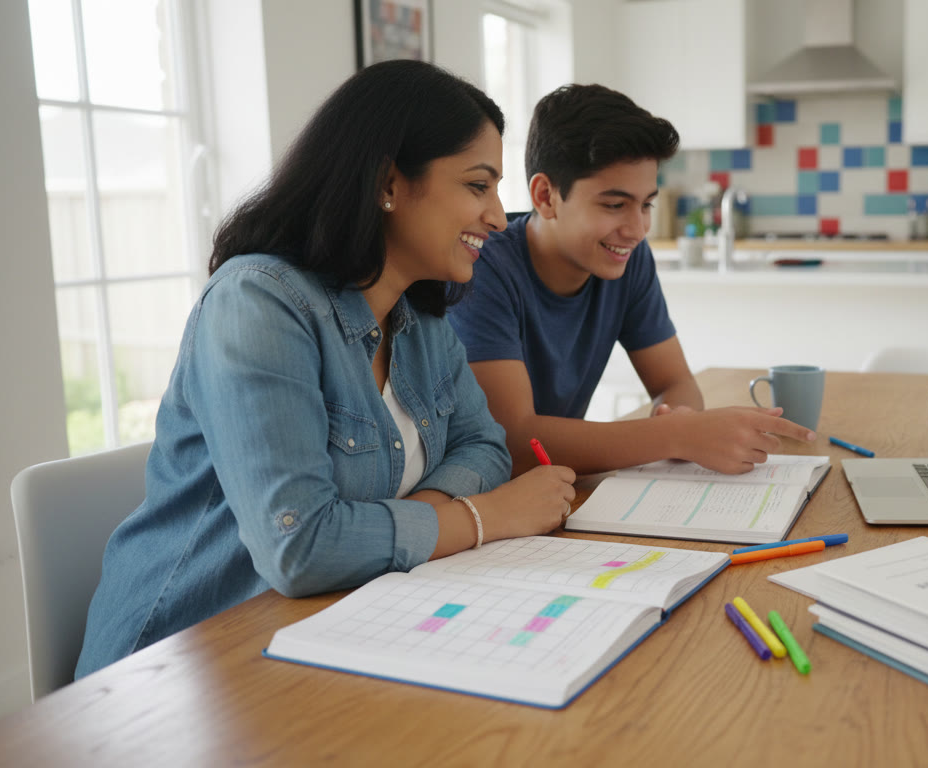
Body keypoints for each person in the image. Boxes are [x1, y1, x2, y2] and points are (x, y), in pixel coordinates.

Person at [75, 61, 575, 678]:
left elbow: (485, 446)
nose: (500, 218)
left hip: (332, 631)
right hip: (172, 674)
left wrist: (421, 520)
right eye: (478, 186)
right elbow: (301, 548)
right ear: (388, 181)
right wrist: (483, 517)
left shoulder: (419, 316)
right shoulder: (257, 304)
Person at [448, 84, 815, 477]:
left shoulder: (627, 259)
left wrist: (682, 417)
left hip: (555, 488)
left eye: (647, 205)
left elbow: (675, 382)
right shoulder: (482, 266)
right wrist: (676, 435)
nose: (638, 228)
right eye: (614, 205)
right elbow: (515, 441)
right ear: (546, 196)